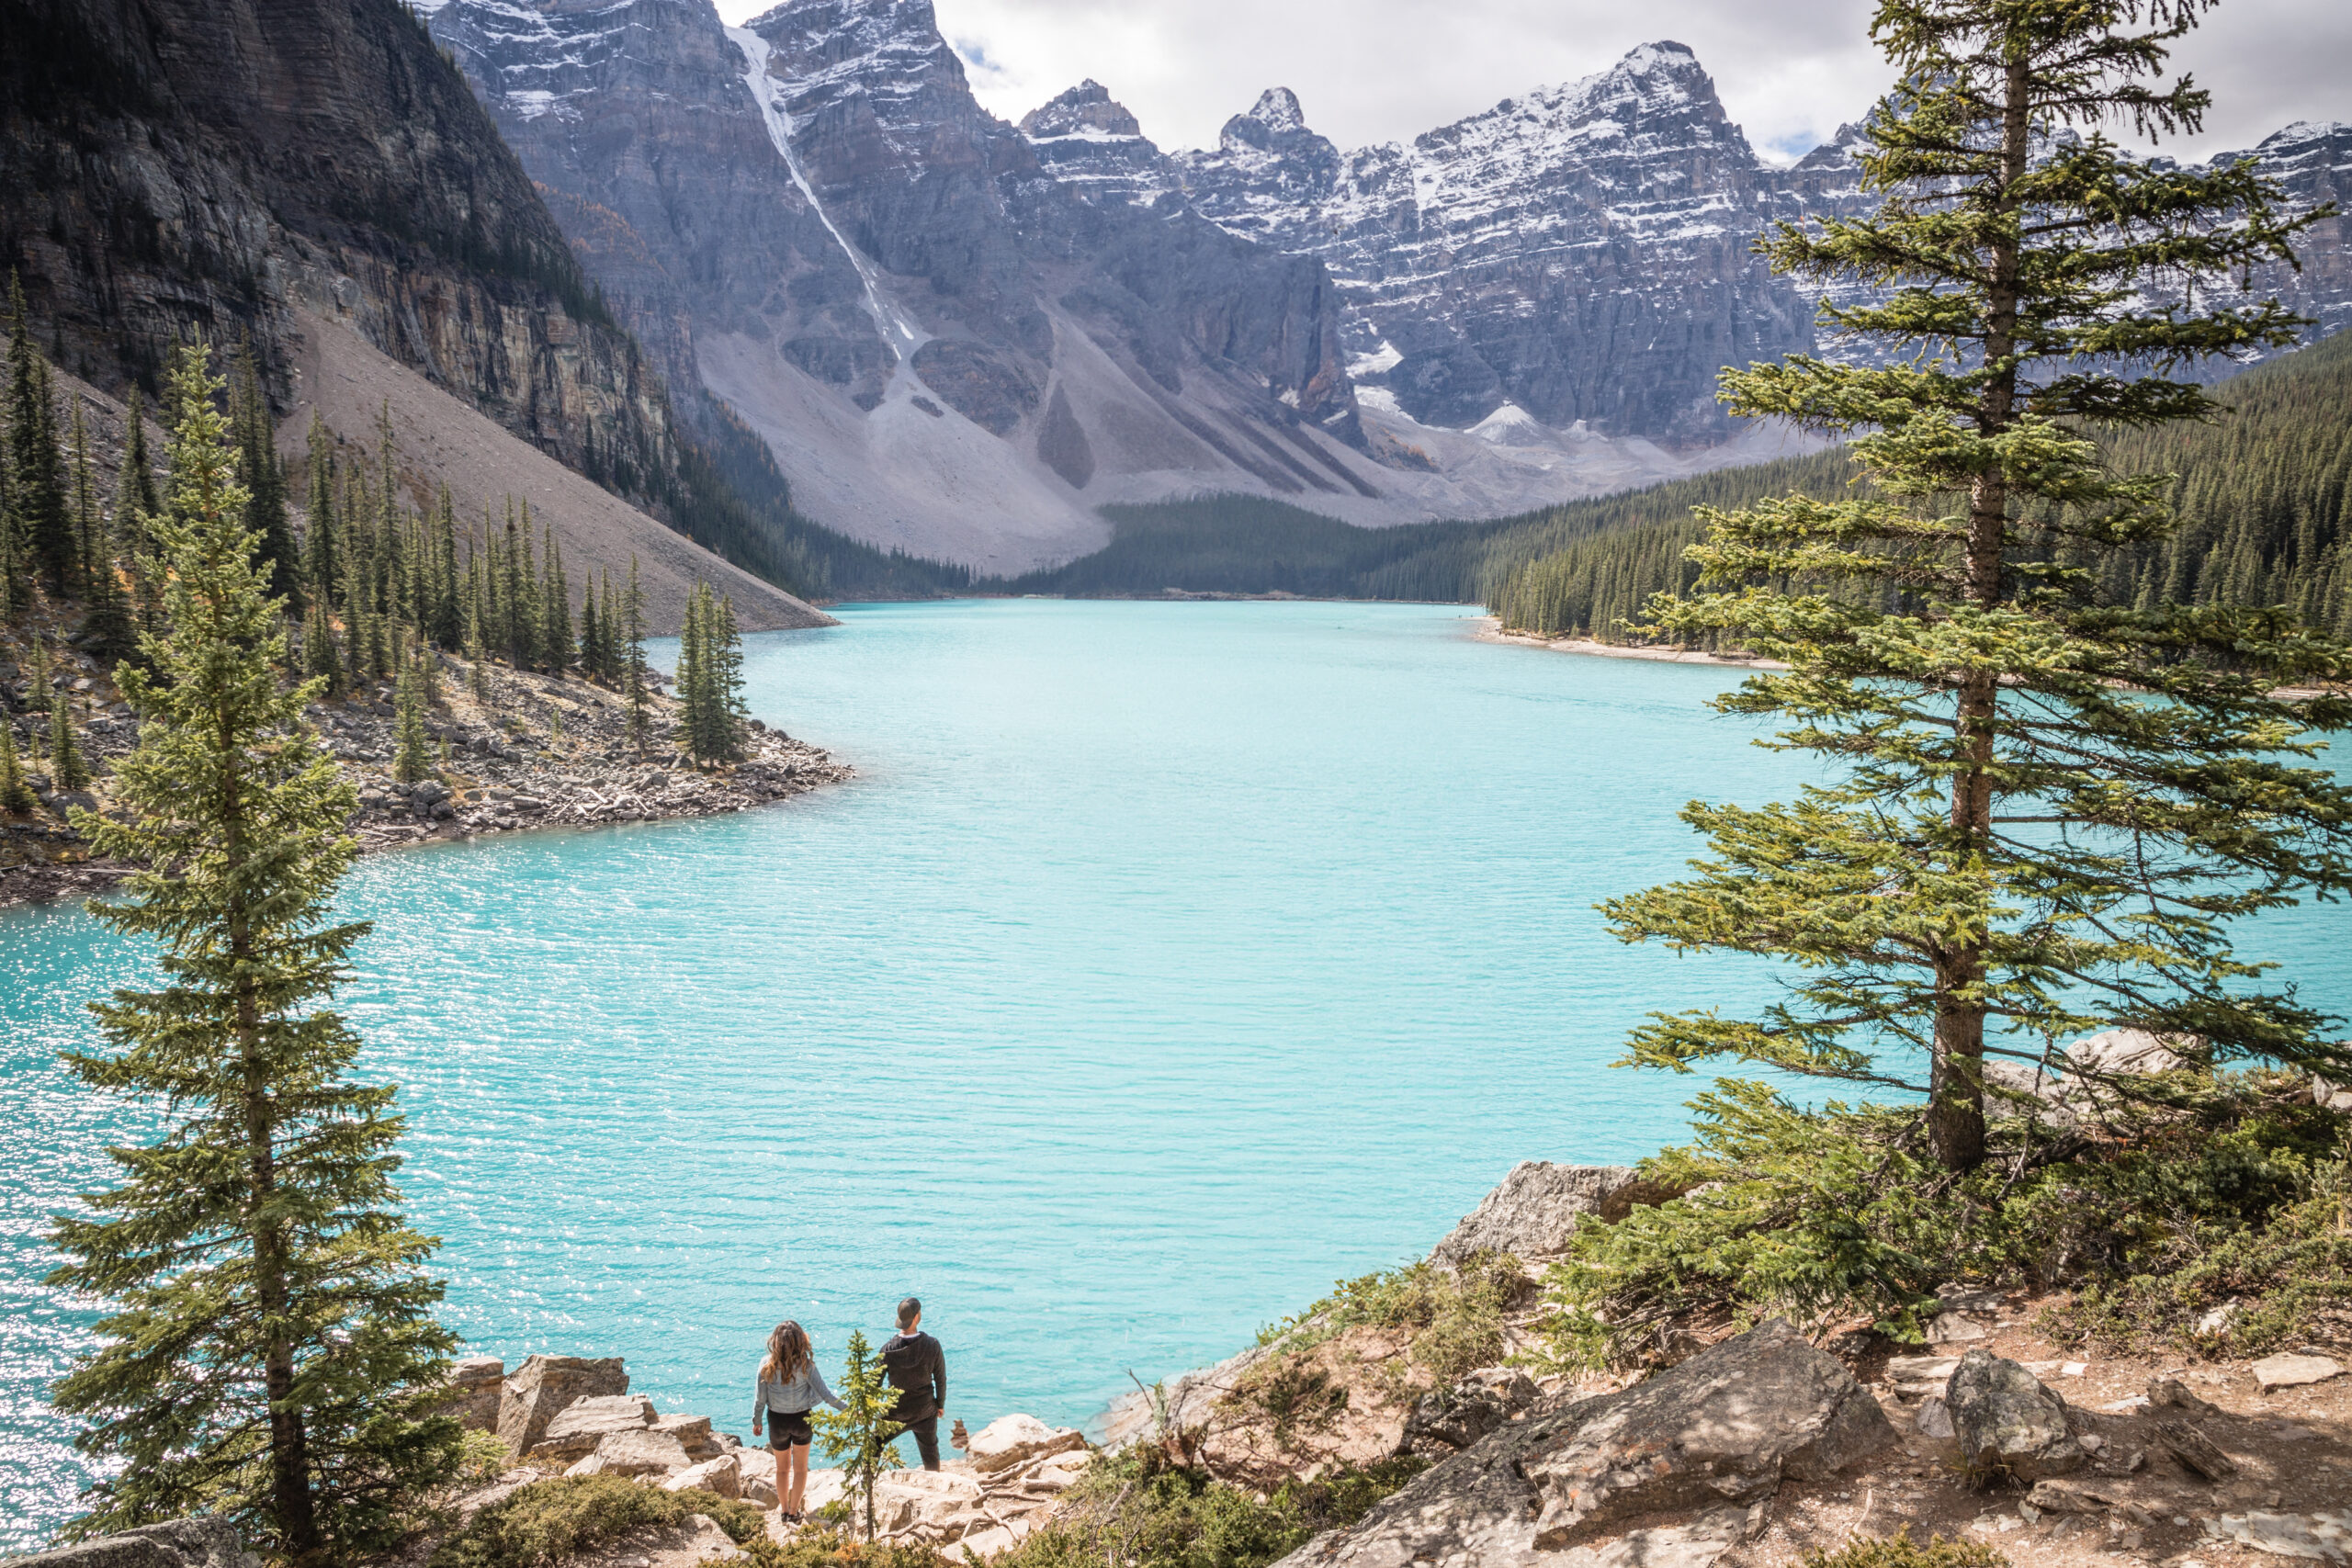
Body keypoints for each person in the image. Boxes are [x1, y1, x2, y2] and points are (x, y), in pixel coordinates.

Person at [752, 1321, 842, 1519]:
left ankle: (784, 1511)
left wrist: (757, 1420)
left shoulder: (766, 1365)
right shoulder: (806, 1366)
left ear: (775, 1342)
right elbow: (827, 1395)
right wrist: (849, 1410)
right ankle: (794, 1512)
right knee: (800, 1470)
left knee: (782, 1469)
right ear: (801, 1341)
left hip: (777, 1421)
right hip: (802, 1420)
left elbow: (760, 1398)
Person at [878, 1296, 947, 1471]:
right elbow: (940, 1378)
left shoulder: (887, 1349)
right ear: (916, 1317)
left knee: (874, 1445)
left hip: (895, 1412)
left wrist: (869, 1408)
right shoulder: (932, 1345)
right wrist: (940, 1404)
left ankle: (867, 1481)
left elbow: (875, 1383)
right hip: (924, 1410)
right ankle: (934, 1482)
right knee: (930, 1450)